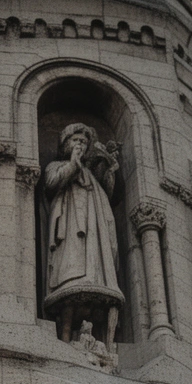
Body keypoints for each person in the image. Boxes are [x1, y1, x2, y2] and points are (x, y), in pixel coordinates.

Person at [43, 123, 124, 345]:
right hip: (70, 230)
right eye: (76, 140)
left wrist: (110, 170)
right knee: (71, 277)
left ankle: (103, 339)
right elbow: (51, 184)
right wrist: (73, 164)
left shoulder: (91, 175)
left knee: (96, 271)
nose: (80, 145)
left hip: (95, 233)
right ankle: (65, 334)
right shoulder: (57, 166)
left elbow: (109, 196)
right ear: (65, 144)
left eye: (84, 142)